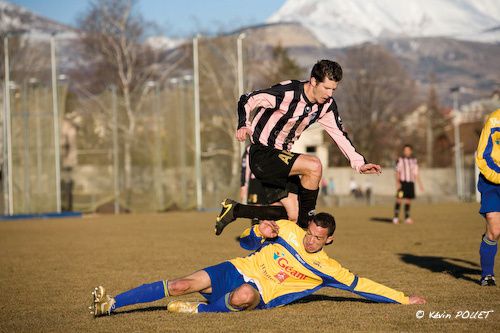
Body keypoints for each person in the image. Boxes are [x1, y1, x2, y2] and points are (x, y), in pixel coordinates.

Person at [90, 213, 426, 317]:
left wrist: (402, 298)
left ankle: (201, 311)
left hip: (257, 290)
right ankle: (112, 303)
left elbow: (362, 285)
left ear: (329, 241)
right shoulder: (288, 230)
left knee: (245, 297)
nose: (310, 240)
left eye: (318, 238)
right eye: (309, 233)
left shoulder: (329, 268)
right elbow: (246, 244)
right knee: (178, 284)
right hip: (235, 269)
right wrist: (256, 231)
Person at [216, 60, 381, 234]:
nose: (330, 94)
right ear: (313, 81)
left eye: (334, 89)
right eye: (326, 88)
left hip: (282, 157)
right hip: (263, 154)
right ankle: (306, 227)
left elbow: (339, 134)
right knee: (314, 166)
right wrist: (244, 124)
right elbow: (247, 99)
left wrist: (359, 163)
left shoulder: (326, 106)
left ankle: (235, 210)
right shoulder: (287, 93)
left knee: (292, 214)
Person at [475, 109, 500, 286]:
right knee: (495, 229)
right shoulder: (494, 121)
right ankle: (487, 274)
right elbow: (483, 157)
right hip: (492, 181)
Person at [392, 144, 424, 224]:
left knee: (408, 200)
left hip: (410, 183)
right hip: (402, 183)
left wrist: (420, 185)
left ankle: (407, 218)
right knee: (399, 199)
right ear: (403, 151)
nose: (407, 152)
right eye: (405, 150)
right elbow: (397, 171)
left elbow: (416, 173)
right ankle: (395, 218)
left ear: (411, 151)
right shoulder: (400, 160)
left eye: (408, 150)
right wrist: (398, 182)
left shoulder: (414, 161)